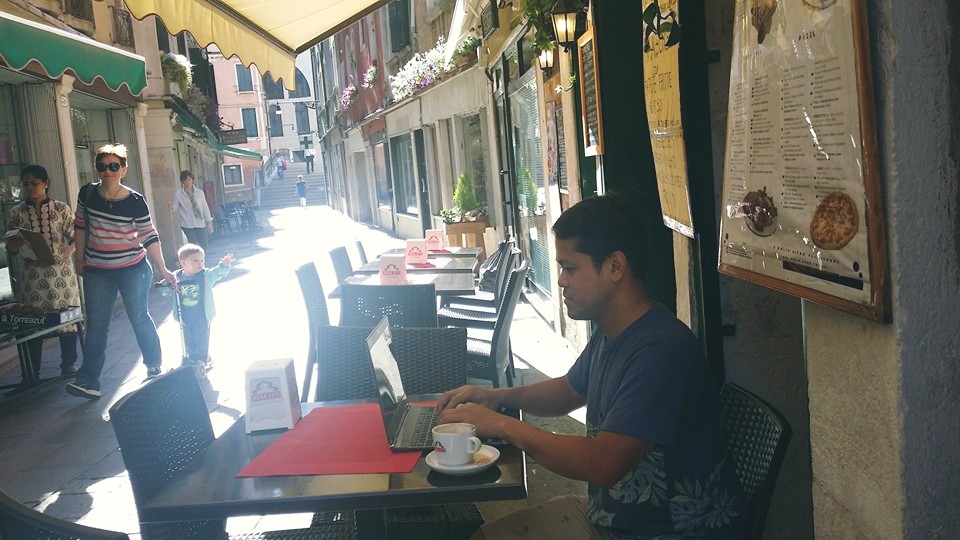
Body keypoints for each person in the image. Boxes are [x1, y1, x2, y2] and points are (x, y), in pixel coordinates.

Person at [437, 193, 746, 539]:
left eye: (570, 268)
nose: (560, 281)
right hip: (616, 519)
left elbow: (601, 463)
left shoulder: (659, 352)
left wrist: (499, 425)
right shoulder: (614, 329)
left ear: (615, 266)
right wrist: (496, 397)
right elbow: (569, 390)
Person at [66, 144, 176, 400]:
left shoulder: (135, 201)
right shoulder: (88, 194)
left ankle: (154, 366)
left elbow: (149, 235)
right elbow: (80, 227)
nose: (107, 171)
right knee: (96, 325)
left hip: (133, 269)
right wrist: (79, 260)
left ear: (123, 169)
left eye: (114, 166)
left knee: (138, 317)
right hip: (97, 269)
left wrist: (163, 268)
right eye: (102, 166)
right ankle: (88, 380)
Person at [5, 165, 81, 378]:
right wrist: (14, 245)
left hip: (61, 272)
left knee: (66, 318)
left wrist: (70, 248)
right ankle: (32, 372)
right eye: (26, 184)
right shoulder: (16, 213)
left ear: (46, 182)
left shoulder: (61, 208)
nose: (30, 187)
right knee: (33, 320)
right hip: (33, 274)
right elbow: (10, 247)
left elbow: (75, 235)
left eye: (34, 183)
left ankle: (68, 363)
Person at [158, 244, 233, 372]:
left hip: (202, 314)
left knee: (202, 337)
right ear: (183, 263)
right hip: (184, 315)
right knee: (187, 338)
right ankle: (191, 357)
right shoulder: (176, 277)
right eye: (195, 260)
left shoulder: (205, 275)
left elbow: (217, 273)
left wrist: (224, 265)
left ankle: (201, 359)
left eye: (202, 260)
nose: (200, 263)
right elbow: (166, 292)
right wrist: (164, 285)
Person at [169, 170, 213, 249]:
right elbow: (174, 207)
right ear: (182, 182)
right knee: (193, 246)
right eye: (185, 180)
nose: (187, 182)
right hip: (187, 224)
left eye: (189, 179)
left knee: (203, 245)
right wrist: (171, 208)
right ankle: (194, 260)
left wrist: (209, 222)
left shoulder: (200, 193)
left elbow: (205, 207)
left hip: (200, 223)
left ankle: (202, 260)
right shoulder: (179, 194)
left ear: (192, 180)